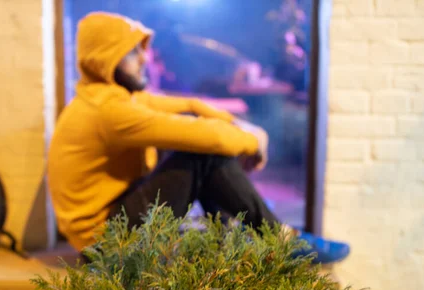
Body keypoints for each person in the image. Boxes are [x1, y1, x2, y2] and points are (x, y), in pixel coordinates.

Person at [47, 12, 349, 264]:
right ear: (104, 60)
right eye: (131, 52)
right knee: (200, 153)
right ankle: (276, 237)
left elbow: (189, 105)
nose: (143, 59)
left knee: (203, 149)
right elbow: (210, 139)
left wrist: (240, 125)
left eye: (142, 49)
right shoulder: (109, 111)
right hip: (103, 244)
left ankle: (256, 235)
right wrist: (254, 141)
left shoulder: (106, 98)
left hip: (111, 222)